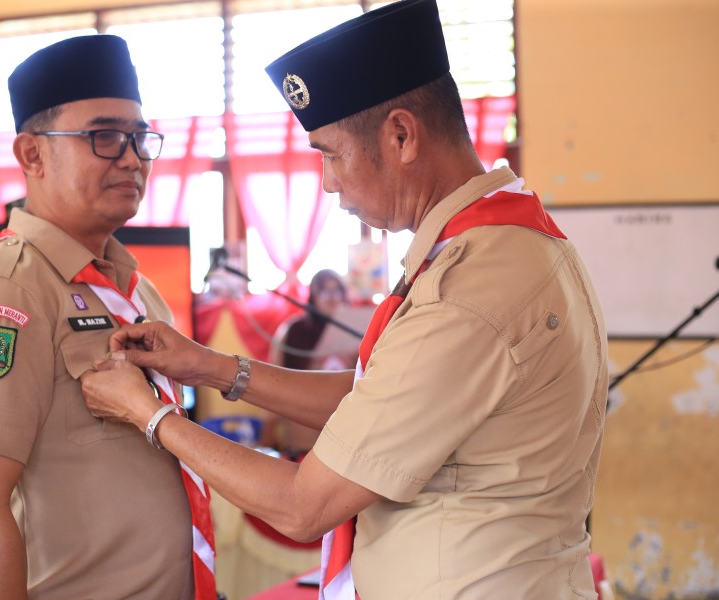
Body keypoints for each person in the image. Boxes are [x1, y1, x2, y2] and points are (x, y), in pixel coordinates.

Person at [80, 1, 609, 598]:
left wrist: (150, 415)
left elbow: (303, 507)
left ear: (401, 135)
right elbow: (377, 400)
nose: (329, 182)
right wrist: (208, 366)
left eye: (330, 154)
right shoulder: (505, 246)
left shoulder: (471, 290)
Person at [0, 35, 215, 599]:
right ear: (32, 155)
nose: (131, 157)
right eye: (103, 137)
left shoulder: (135, 288)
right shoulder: (5, 295)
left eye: (139, 138)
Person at [263, 269, 350, 456]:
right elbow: (275, 380)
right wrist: (269, 427)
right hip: (304, 430)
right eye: (324, 290)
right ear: (313, 296)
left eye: (336, 290)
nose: (331, 297)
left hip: (346, 429)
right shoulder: (293, 330)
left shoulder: (356, 330)